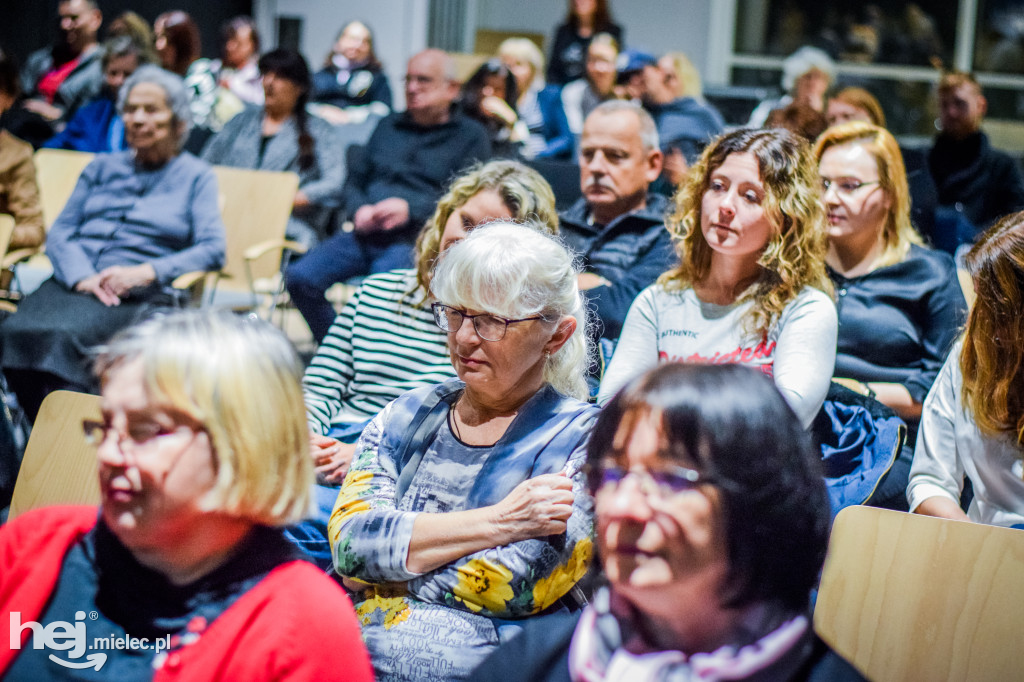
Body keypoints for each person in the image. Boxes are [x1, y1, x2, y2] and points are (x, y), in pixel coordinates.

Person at [0, 310, 374, 680]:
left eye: (147, 430)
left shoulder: (304, 626)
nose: (110, 454)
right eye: (107, 426)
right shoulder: (38, 541)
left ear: (243, 445)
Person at [470, 363, 867, 682]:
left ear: (761, 501)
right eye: (612, 474)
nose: (624, 507)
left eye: (671, 478)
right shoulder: (536, 659)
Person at [329, 222, 598, 681]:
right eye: (455, 313)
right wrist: (500, 522)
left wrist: (382, 569)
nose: (464, 338)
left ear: (556, 335)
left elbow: (521, 584)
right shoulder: (407, 414)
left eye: (491, 321)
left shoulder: (587, 439)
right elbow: (351, 548)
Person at [291, 160, 559, 567]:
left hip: (405, 466)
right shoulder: (376, 291)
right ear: (444, 214)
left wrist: (365, 458)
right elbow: (321, 386)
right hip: (329, 447)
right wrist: (306, 438)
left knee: (280, 519)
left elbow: (471, 433)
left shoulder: (502, 334)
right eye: (463, 220)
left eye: (485, 233)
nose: (463, 239)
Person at [0, 65, 226, 420]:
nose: (137, 119)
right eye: (131, 109)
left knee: (63, 339)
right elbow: (60, 232)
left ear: (179, 122)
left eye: (151, 110)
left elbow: (213, 248)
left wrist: (146, 272)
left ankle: (67, 443)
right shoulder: (101, 168)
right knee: (14, 331)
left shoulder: (196, 177)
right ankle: (25, 447)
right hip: (74, 283)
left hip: (134, 295)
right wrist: (81, 276)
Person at [599, 128, 838, 429]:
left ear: (786, 218)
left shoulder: (805, 309)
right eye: (717, 186)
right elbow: (611, 409)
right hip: (653, 468)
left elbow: (781, 424)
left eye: (750, 196)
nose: (725, 205)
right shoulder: (658, 302)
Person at [284, 48, 491, 343]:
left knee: (376, 293)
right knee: (299, 277)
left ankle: (359, 357)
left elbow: (469, 200)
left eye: (423, 80)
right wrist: (358, 210)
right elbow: (354, 180)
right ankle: (339, 348)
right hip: (366, 232)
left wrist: (411, 209)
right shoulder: (387, 125)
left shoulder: (471, 136)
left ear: (452, 89)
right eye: (407, 79)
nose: (411, 87)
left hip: (418, 239)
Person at [814, 122, 966, 425]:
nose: (830, 198)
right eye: (823, 184)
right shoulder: (797, 266)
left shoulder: (929, 273)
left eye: (849, 185)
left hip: (889, 434)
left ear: (889, 194)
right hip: (799, 431)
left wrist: (849, 392)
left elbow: (945, 385)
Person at [908, 212, 1024, 528]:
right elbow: (930, 480)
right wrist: (975, 545)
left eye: (999, 312)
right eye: (979, 301)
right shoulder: (971, 353)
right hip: (983, 549)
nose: (981, 322)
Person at [202, 48, 343, 248]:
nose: (269, 82)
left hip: (287, 223)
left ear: (299, 87)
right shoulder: (240, 122)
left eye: (279, 77)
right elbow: (206, 165)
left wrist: (293, 197)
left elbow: (334, 181)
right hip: (230, 216)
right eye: (266, 74)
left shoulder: (319, 130)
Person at [559, 101, 673, 346]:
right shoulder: (555, 222)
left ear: (652, 165)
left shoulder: (673, 231)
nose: (596, 167)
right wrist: (588, 284)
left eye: (615, 156)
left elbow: (623, 314)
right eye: (588, 154)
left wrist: (551, 285)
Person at [825, 86, 937, 240]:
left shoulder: (909, 161)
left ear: (873, 119)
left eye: (847, 116)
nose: (838, 125)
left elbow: (919, 215)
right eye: (832, 119)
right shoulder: (822, 164)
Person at [928, 71, 1024, 245]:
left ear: (981, 106)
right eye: (944, 105)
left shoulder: (1003, 167)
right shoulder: (925, 162)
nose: (952, 112)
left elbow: (1014, 221)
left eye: (960, 103)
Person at [43, 36, 145, 152]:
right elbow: (53, 147)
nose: (119, 81)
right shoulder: (90, 114)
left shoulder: (149, 116)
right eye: (113, 73)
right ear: (104, 73)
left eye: (127, 74)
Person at [153, 11, 241, 138]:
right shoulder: (161, 77)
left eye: (164, 38)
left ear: (180, 42)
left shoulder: (201, 75)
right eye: (156, 37)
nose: (158, 45)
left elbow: (196, 125)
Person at [19, 0, 104, 129]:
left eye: (73, 18)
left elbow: (91, 120)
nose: (65, 25)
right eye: (61, 19)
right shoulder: (41, 59)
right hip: (25, 131)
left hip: (66, 140)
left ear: (95, 19)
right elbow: (18, 96)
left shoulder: (103, 67)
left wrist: (54, 115)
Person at [498, 38, 573, 160]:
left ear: (532, 69)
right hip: (504, 160)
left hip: (541, 162)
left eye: (518, 65)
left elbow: (565, 139)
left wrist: (541, 155)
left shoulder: (549, 95)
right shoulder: (496, 97)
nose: (512, 71)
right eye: (507, 65)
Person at [311, 20, 392, 125]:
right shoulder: (320, 76)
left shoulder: (377, 78)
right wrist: (322, 111)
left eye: (364, 41)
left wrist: (351, 116)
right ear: (338, 42)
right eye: (352, 39)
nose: (357, 45)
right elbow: (304, 105)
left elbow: (383, 109)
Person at [747, 46, 834, 128]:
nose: (813, 82)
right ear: (794, 80)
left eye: (819, 77)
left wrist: (818, 114)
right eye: (808, 76)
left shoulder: (833, 112)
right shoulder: (771, 107)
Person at [547, 0, 623, 87]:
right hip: (563, 90)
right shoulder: (563, 32)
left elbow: (617, 67)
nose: (578, 1)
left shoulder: (612, 32)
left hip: (596, 91)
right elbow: (553, 69)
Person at [458, 59, 522, 158]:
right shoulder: (460, 114)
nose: (488, 93)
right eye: (484, 85)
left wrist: (510, 123)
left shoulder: (510, 117)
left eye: (497, 89)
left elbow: (520, 155)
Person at [560, 32, 618, 139]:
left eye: (605, 60)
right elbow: (577, 136)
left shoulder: (627, 95)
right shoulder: (573, 92)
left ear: (616, 63)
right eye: (593, 60)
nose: (598, 68)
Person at [212, 16, 263, 106]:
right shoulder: (214, 68)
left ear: (252, 45)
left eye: (238, 43)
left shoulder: (258, 74)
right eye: (228, 40)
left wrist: (231, 84)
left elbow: (260, 101)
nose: (229, 47)